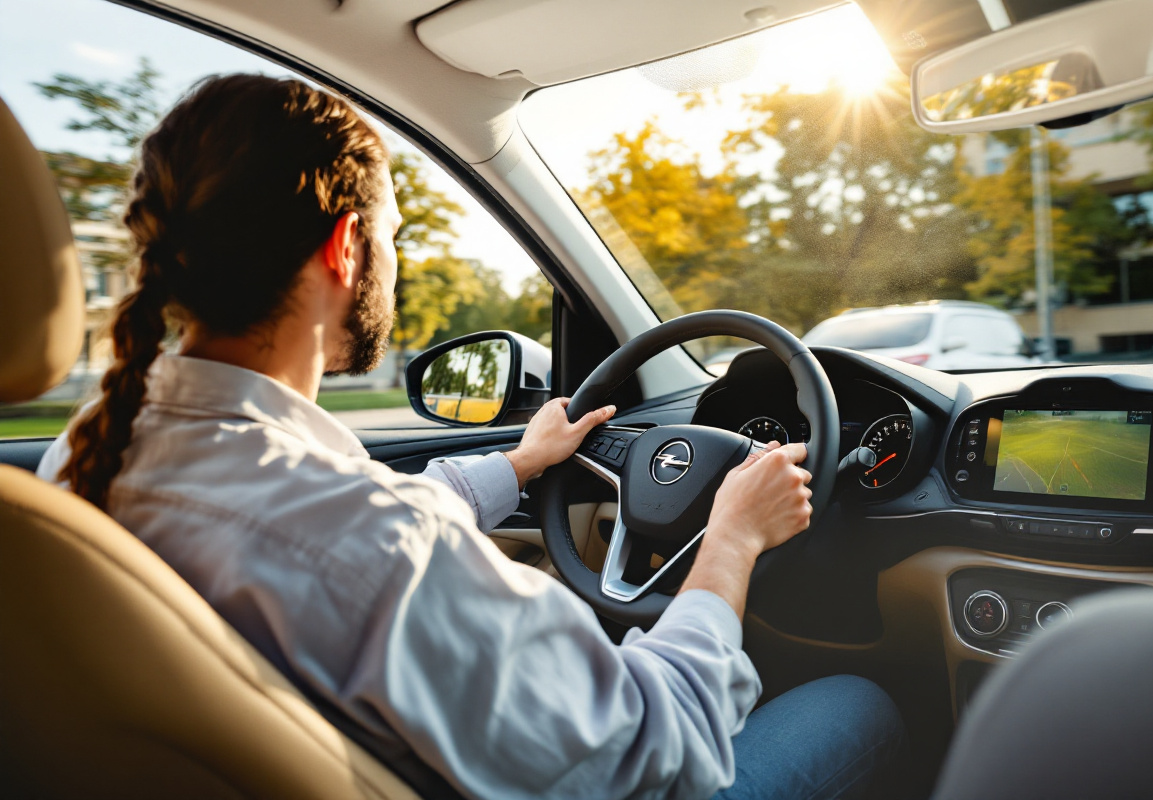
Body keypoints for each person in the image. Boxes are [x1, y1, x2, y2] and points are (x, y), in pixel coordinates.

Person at [37, 74, 903, 799]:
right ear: (345, 248)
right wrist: (732, 540)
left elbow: (343, 528)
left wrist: (523, 463)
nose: (392, 257)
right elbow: (664, 746)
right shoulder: (368, 547)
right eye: (392, 236)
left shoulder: (86, 452)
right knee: (863, 702)